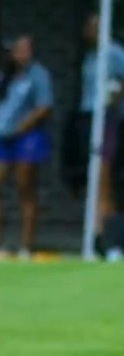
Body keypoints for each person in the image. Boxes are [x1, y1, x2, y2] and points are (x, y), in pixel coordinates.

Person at [78, 13, 124, 260]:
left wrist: (118, 93)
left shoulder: (111, 52)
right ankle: (96, 238)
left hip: (104, 118)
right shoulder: (90, 56)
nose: (87, 31)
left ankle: (111, 243)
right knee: (95, 181)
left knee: (102, 180)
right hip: (89, 118)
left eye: (92, 26)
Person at [0, 36, 54, 260]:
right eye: (15, 49)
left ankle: (26, 246)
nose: (19, 53)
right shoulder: (6, 75)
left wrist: (23, 125)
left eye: (23, 49)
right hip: (3, 137)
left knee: (25, 188)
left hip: (27, 137)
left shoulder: (38, 75)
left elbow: (44, 106)